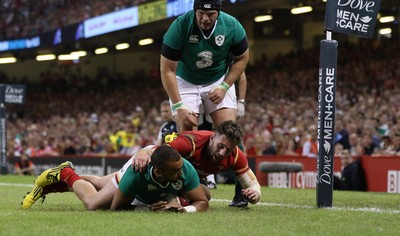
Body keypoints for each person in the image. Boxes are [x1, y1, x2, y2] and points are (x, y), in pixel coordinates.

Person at [22, 146, 209, 213]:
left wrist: (185, 210)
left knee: (100, 182)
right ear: (159, 173)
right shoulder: (137, 175)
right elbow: (116, 209)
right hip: (137, 165)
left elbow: (202, 201)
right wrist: (148, 209)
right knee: (95, 204)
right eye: (176, 172)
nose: (181, 173)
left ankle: (54, 187)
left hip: (154, 155)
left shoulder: (184, 168)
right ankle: (65, 174)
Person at [160, 0, 249, 132]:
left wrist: (225, 87)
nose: (205, 19)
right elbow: (167, 70)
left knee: (228, 132)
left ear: (218, 12)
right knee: (188, 134)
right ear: (194, 10)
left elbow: (242, 58)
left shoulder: (232, 26)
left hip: (218, 79)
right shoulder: (180, 26)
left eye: (211, 14)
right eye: (200, 13)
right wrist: (179, 105)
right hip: (186, 81)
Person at [133, 120, 261, 206]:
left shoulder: (235, 154)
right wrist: (142, 153)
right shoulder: (190, 143)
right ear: (212, 138)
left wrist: (255, 194)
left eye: (228, 149)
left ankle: (172, 198)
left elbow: (253, 183)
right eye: (220, 146)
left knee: (205, 195)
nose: (222, 153)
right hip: (163, 178)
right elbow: (158, 152)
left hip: (187, 180)